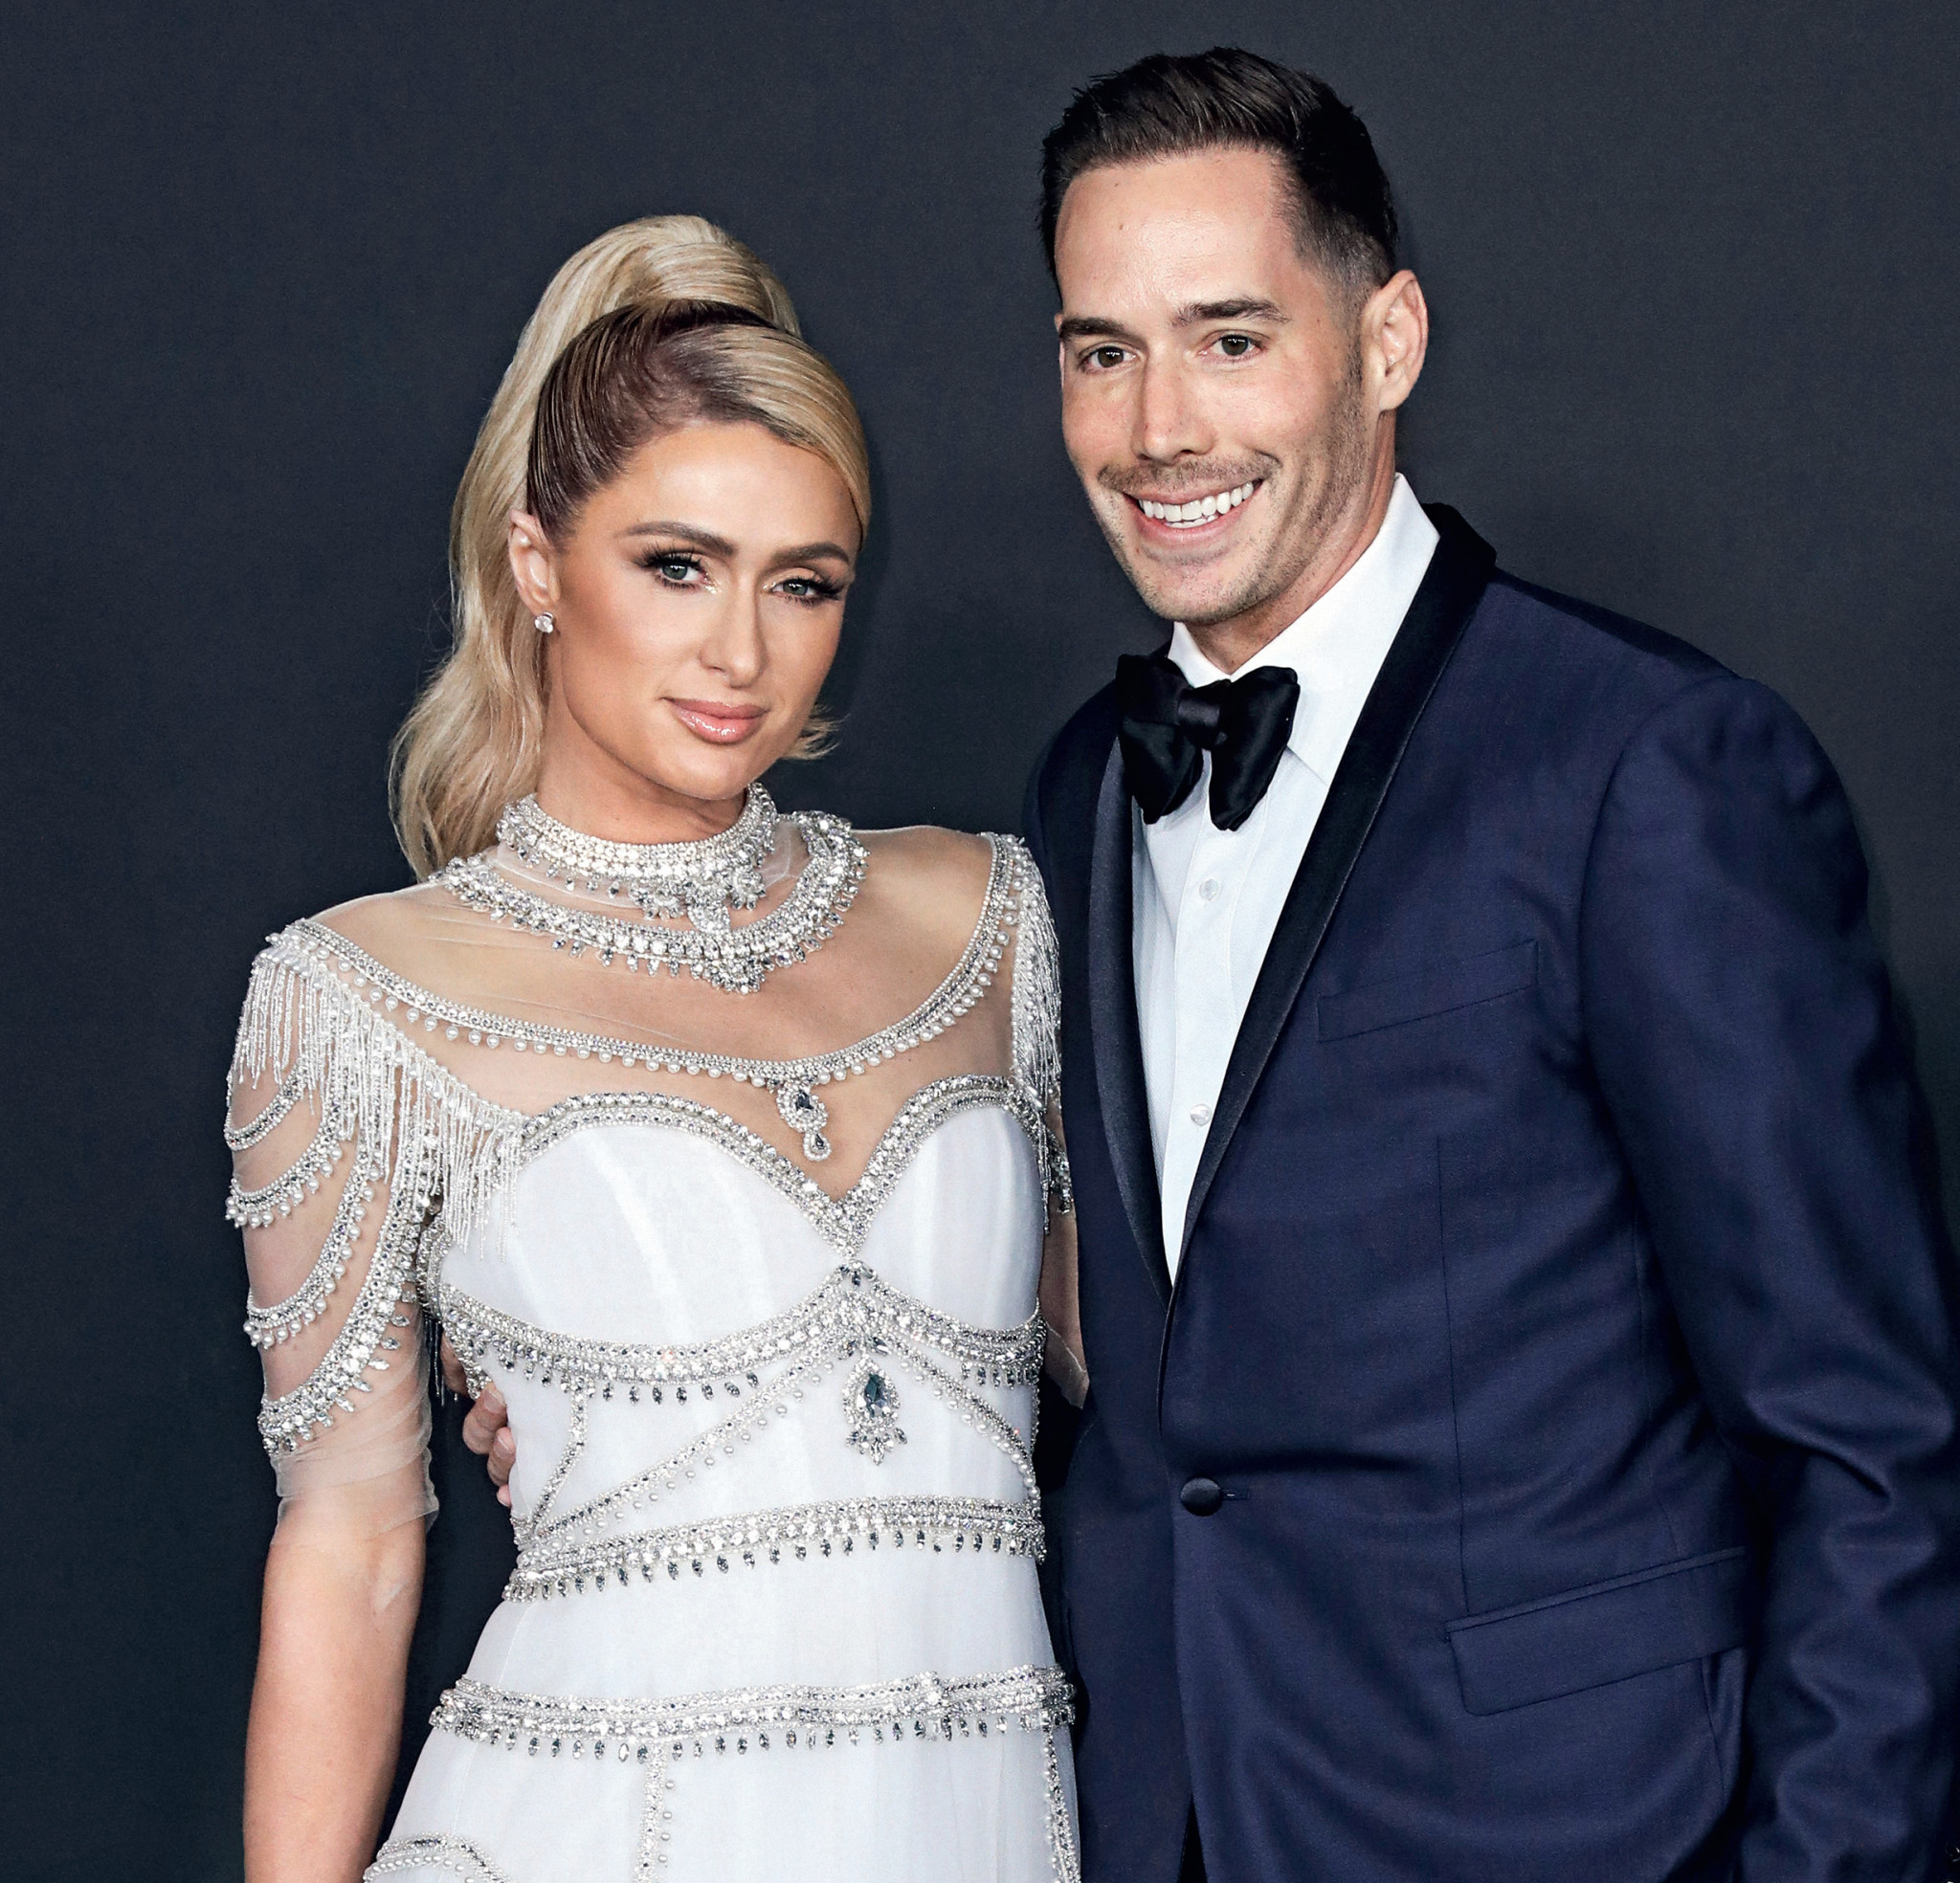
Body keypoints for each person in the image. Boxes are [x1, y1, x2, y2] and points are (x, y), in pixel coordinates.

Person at [1017, 47, 1960, 1883]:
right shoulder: (1079, 788)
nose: (1156, 429)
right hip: (1154, 1821)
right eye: (1100, 352)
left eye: (1229, 339)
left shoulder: (1651, 766)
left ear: (1388, 342)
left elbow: (1869, 1446)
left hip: (1568, 1832)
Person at [226, 213, 1083, 1883]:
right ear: (539, 565)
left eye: (805, 584)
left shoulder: (991, 916)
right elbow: (351, 1548)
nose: (741, 653)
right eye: (676, 566)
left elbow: (1165, 1377)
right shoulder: (358, 997)